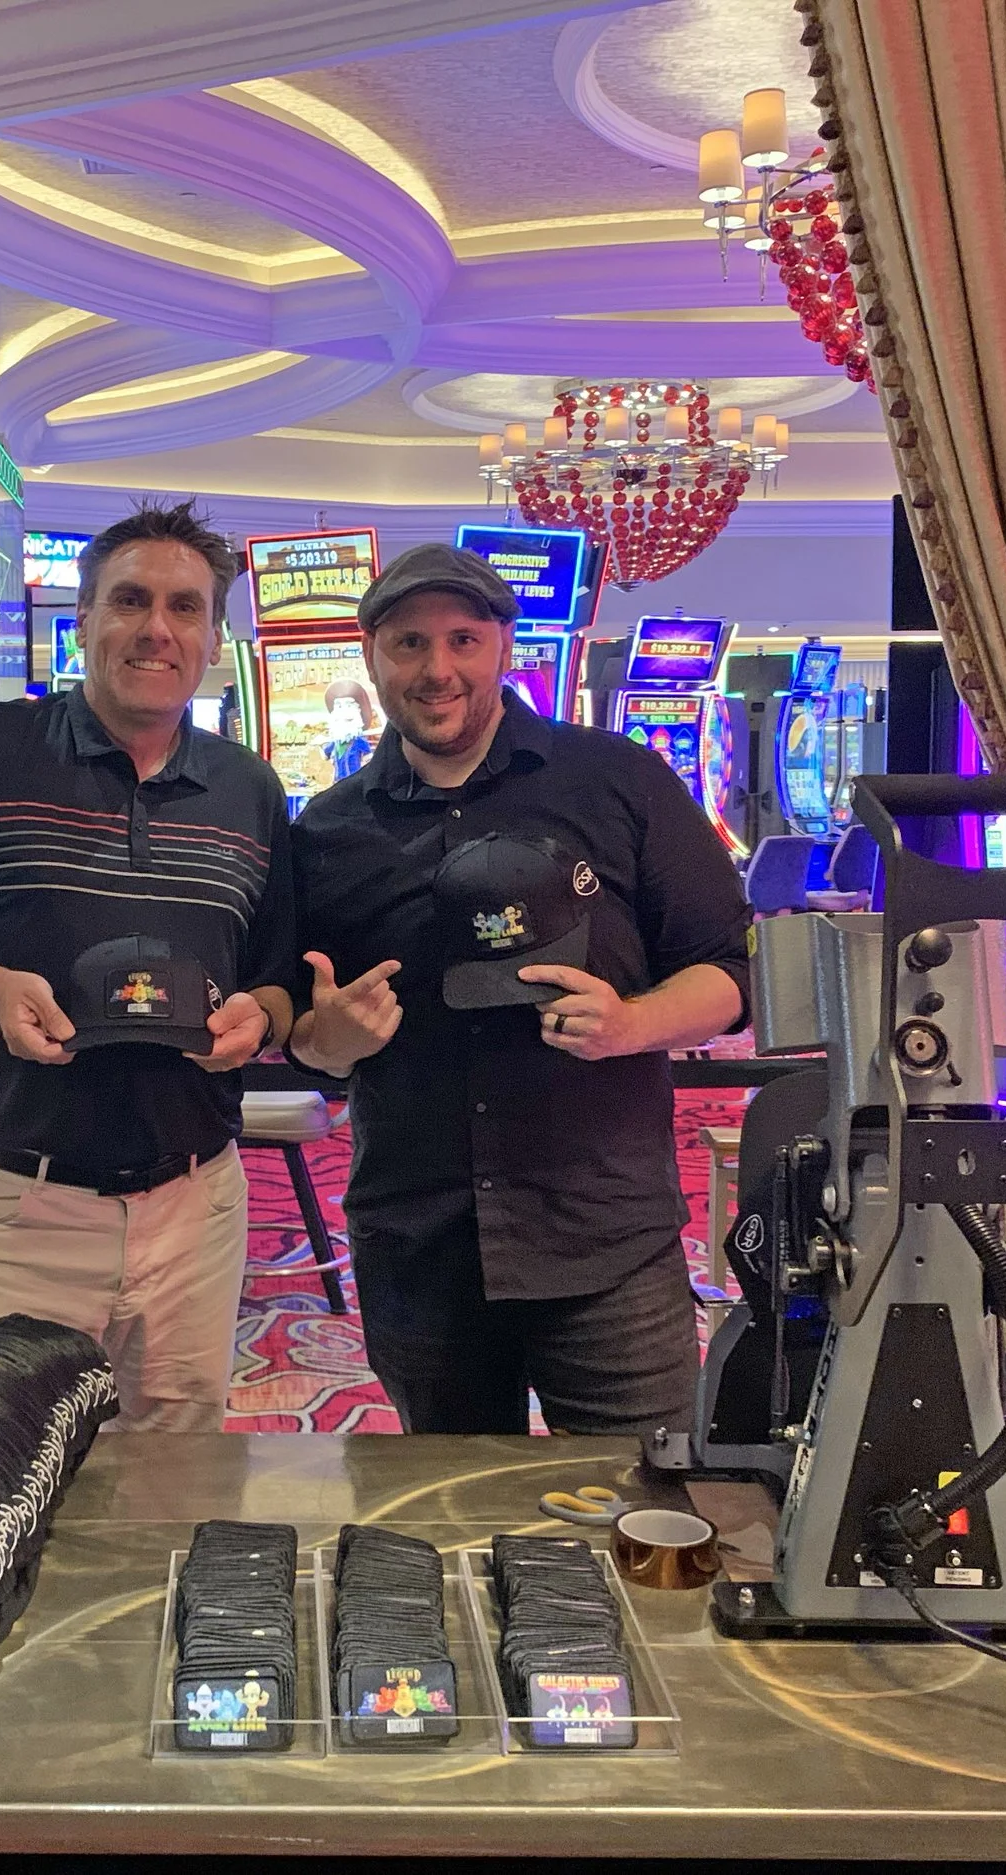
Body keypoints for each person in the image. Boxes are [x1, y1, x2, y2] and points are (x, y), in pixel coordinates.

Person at [0, 501, 298, 1431]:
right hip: (19, 1203)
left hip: (196, 1203)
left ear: (215, 640)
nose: (155, 628)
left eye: (184, 608)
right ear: (83, 619)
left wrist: (265, 1013)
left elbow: (277, 974)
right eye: (129, 600)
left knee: (174, 1478)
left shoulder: (249, 786)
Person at [286, 543, 750, 1437]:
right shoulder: (330, 829)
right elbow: (295, 1020)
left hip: (605, 1237)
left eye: (463, 638)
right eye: (409, 643)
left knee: (647, 1507)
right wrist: (326, 1041)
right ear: (372, 657)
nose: (438, 668)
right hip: (421, 1246)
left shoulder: (620, 779)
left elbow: (732, 972)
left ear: (506, 646)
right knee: (444, 1522)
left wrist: (633, 1022)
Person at [319, 676, 378, 781]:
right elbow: (325, 756)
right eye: (339, 706)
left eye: (348, 705)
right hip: (337, 782)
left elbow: (368, 759)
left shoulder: (359, 741)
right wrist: (319, 744)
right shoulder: (335, 743)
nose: (343, 711)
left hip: (354, 783)